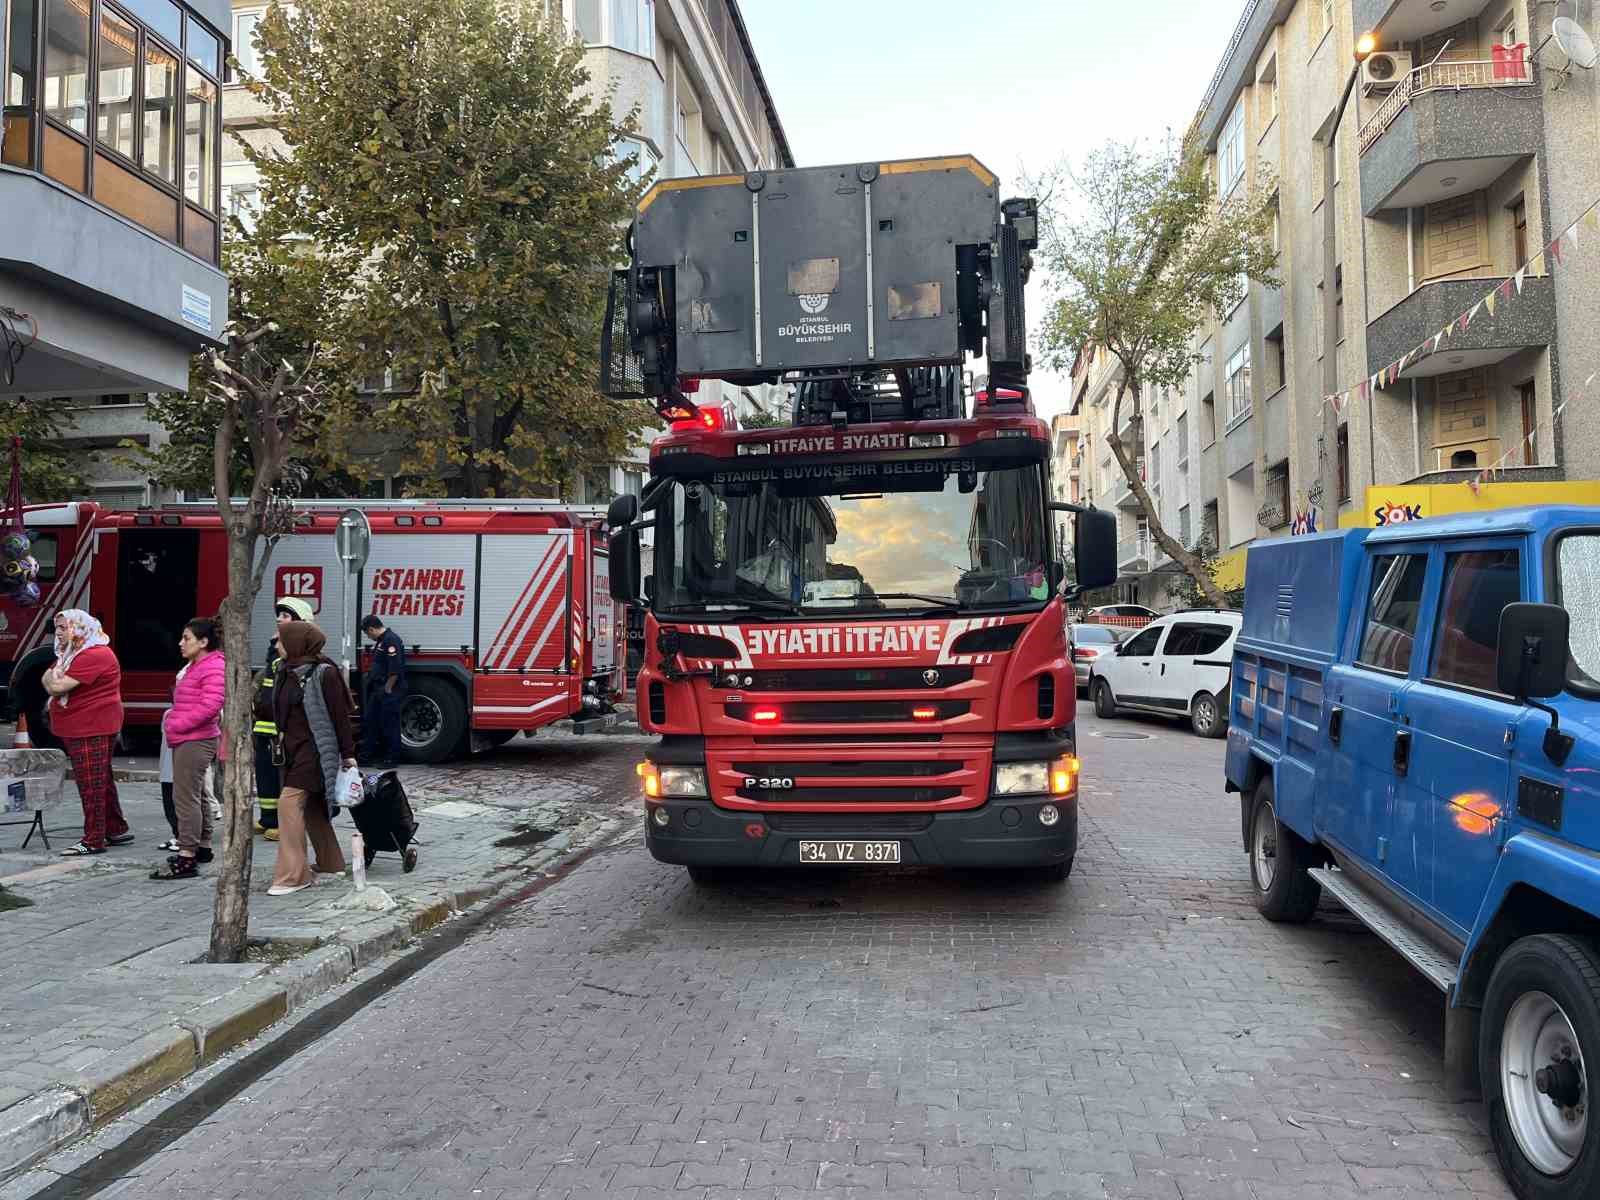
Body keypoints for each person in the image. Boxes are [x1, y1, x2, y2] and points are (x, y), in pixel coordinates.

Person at [269, 620, 352, 896]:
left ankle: (294, 876)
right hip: (291, 750)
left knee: (288, 803)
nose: (275, 644)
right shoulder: (284, 670)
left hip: (316, 750)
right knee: (314, 805)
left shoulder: (324, 673)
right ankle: (331, 863)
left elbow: (341, 718)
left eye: (280, 640)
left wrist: (348, 755)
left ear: (296, 643)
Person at [42, 610, 130, 856]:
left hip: (91, 727)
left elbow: (56, 685)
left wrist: (51, 680)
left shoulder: (95, 655)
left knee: (90, 783)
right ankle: (114, 828)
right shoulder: (72, 653)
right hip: (83, 726)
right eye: (57, 628)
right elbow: (47, 677)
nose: (58, 633)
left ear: (79, 628)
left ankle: (93, 840)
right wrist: (50, 679)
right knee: (101, 778)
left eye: (63, 627)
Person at [150, 619, 226, 881]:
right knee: (197, 795)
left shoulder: (213, 666)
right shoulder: (197, 665)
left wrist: (176, 725)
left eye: (187, 638)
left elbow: (211, 705)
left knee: (185, 798)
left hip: (194, 739)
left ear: (204, 642)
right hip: (188, 737)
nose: (181, 643)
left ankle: (186, 856)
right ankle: (202, 847)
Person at [255, 597, 314, 841]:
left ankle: (281, 820)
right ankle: (267, 816)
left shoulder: (299, 652)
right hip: (265, 724)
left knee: (282, 776)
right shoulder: (274, 647)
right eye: (279, 615)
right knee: (264, 773)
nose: (279, 619)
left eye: (286, 616)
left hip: (282, 729)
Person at [360, 614, 406, 767]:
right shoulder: (382, 641)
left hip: (388, 690)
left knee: (389, 725)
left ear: (372, 629)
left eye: (367, 633)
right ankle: (366, 757)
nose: (368, 636)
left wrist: (387, 689)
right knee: (371, 722)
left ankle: (391, 759)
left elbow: (395, 668)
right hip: (379, 689)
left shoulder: (390, 640)